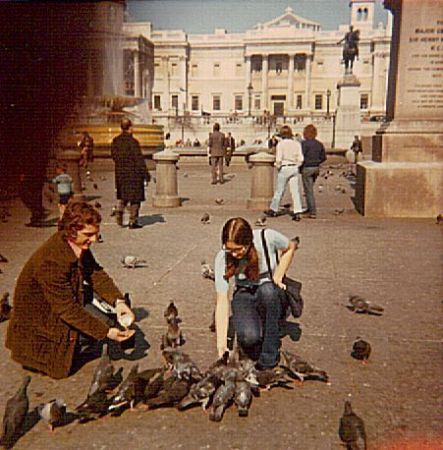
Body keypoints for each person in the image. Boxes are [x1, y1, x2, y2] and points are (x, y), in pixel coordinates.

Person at [5, 201, 135, 379]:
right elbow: (67, 310)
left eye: (96, 234)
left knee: (107, 322)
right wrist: (106, 333)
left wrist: (118, 302)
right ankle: (50, 355)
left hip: (59, 304)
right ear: (72, 230)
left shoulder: (74, 243)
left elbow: (95, 273)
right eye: (89, 234)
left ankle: (76, 345)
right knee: (101, 329)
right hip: (41, 319)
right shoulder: (51, 261)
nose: (95, 239)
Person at [214, 217, 296, 369]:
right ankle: (259, 327)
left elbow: (291, 247)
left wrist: (278, 275)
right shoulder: (222, 258)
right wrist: (222, 345)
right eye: (229, 249)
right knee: (248, 338)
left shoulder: (267, 237)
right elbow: (222, 301)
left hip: (270, 291)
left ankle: (268, 359)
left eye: (238, 249)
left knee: (267, 292)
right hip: (244, 293)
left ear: (249, 242)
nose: (234, 254)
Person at [111, 118, 148, 229]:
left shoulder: (115, 141)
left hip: (121, 173)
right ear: (130, 128)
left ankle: (119, 210)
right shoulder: (133, 142)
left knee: (123, 195)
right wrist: (145, 174)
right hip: (134, 174)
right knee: (135, 198)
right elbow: (139, 159)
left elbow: (113, 156)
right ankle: (133, 221)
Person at [264, 125, 304, 221]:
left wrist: (277, 166)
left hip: (284, 167)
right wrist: (296, 166)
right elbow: (301, 158)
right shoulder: (296, 144)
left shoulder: (281, 144)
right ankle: (297, 211)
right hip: (294, 168)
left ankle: (273, 209)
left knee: (279, 190)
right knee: (295, 191)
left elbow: (278, 159)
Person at [300, 124, 326, 219]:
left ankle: (312, 211)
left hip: (307, 168)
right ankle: (309, 208)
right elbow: (324, 157)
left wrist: (301, 166)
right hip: (316, 168)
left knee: (308, 190)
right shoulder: (319, 144)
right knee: (309, 189)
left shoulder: (304, 144)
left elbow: (301, 156)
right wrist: (317, 162)